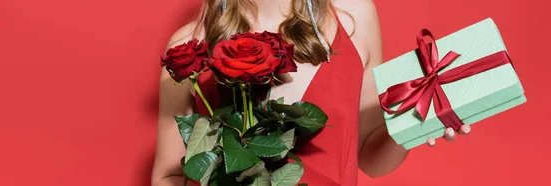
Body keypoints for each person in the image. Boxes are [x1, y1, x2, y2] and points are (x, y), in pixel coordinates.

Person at [152, 0, 472, 185]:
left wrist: (416, 122)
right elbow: (168, 174)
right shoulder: (189, 46)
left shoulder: (352, 17)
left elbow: (370, 158)